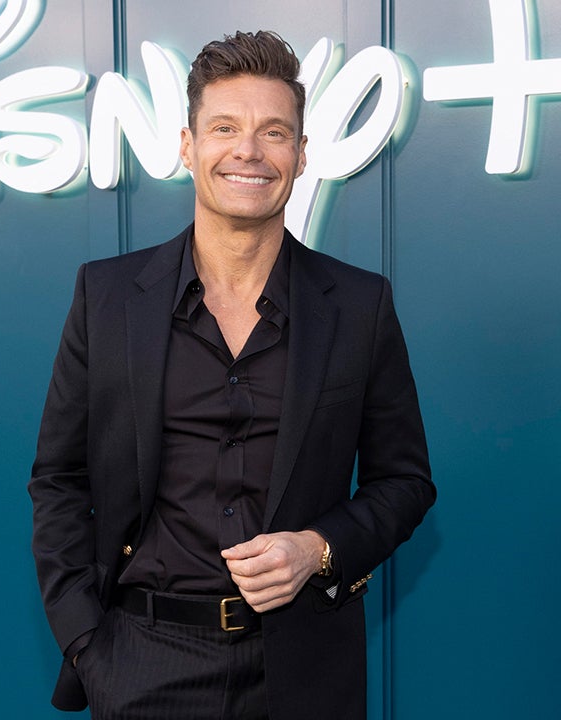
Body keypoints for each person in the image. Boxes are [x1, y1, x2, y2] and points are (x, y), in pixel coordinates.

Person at [29, 30, 434, 720]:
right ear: (187, 147)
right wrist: (87, 645)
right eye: (224, 128)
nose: (249, 151)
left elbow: (405, 482)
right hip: (141, 664)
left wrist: (318, 548)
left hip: (306, 671)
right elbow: (58, 480)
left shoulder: (360, 305)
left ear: (301, 155)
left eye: (274, 132)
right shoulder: (107, 296)